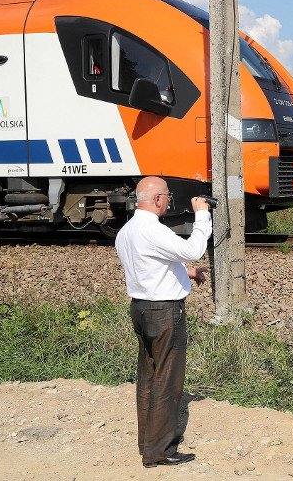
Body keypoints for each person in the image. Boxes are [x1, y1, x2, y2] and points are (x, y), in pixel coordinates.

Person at [115, 176, 211, 468]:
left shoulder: (127, 230)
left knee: (148, 377)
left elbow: (154, 263)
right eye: (167, 196)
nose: (169, 201)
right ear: (157, 199)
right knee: (168, 380)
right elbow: (193, 249)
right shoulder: (153, 230)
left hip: (142, 308)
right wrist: (202, 213)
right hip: (165, 312)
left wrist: (187, 273)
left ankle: (148, 441)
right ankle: (160, 451)